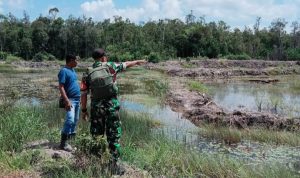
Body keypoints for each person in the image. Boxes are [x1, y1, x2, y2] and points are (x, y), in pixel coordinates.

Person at [80, 48, 146, 173]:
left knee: (96, 134)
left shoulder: (87, 72)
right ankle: (115, 164)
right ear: (104, 57)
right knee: (114, 135)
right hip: (111, 107)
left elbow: (83, 94)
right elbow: (126, 64)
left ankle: (95, 163)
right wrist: (137, 61)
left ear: (94, 58)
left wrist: (84, 110)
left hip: (96, 109)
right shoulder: (111, 66)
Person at [58, 54, 81, 152]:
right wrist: (67, 101)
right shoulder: (64, 71)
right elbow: (61, 87)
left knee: (75, 120)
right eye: (76, 60)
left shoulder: (73, 70)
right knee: (70, 120)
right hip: (70, 100)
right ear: (71, 60)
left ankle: (71, 142)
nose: (77, 62)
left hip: (77, 99)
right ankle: (63, 144)